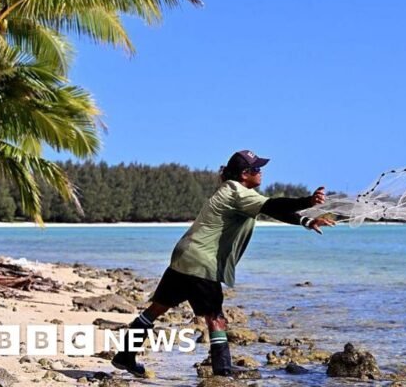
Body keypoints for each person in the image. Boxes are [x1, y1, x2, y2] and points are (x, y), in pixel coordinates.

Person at [111, 150, 335, 377]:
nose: (261, 172)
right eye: (257, 168)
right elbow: (273, 206)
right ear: (244, 174)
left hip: (184, 256)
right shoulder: (237, 192)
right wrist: (307, 201)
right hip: (202, 262)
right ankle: (223, 373)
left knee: (156, 308)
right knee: (215, 318)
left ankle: (125, 356)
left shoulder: (233, 190)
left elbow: (271, 210)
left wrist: (306, 220)